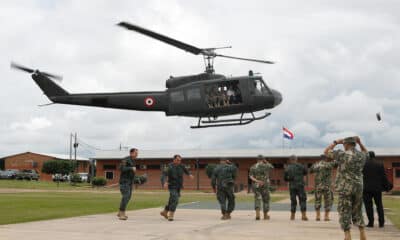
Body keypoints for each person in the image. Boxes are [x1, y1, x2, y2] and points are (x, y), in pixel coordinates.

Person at [324, 136, 368, 240]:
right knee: (357, 210)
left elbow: (326, 152)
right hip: (358, 187)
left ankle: (347, 235)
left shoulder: (342, 154)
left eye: (344, 144)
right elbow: (366, 152)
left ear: (347, 144)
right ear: (355, 144)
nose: (343, 146)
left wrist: (335, 142)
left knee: (344, 210)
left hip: (345, 188)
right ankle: (362, 233)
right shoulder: (361, 155)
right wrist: (360, 142)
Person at [160, 154, 194, 221]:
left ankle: (165, 211)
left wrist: (189, 174)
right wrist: (164, 182)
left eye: (180, 160)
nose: (179, 161)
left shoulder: (181, 166)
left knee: (172, 200)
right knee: (175, 199)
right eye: (178, 160)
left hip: (179, 186)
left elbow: (186, 170)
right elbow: (163, 175)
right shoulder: (169, 167)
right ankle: (171, 214)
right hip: (172, 186)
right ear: (174, 160)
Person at [363, 151, 391, 228]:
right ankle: (381, 223)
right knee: (379, 205)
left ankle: (370, 223)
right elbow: (383, 177)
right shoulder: (380, 164)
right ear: (374, 156)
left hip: (366, 189)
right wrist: (387, 187)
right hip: (377, 188)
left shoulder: (363, 164)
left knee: (368, 206)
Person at [310, 154, 336, 221]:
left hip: (318, 186)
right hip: (327, 186)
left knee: (317, 201)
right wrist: (332, 157)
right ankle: (326, 216)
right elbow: (336, 162)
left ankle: (318, 216)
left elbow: (310, 171)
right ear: (326, 159)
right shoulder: (328, 164)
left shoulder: (316, 165)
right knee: (328, 201)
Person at [249, 155, 274, 220]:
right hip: (265, 184)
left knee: (257, 198)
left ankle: (257, 214)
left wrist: (257, 181)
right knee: (266, 200)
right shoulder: (266, 166)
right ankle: (265, 215)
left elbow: (251, 177)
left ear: (257, 159)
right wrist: (266, 162)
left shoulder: (253, 167)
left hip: (256, 184)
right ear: (263, 159)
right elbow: (272, 167)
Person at [284, 155, 308, 221]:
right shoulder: (301, 166)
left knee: (293, 200)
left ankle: (292, 216)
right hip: (300, 186)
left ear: (290, 160)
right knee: (302, 200)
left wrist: (290, 179)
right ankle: (303, 215)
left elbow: (285, 178)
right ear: (296, 159)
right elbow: (305, 172)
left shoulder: (288, 168)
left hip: (292, 186)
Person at [117, 148, 137, 220]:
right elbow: (120, 168)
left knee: (128, 197)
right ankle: (122, 213)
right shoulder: (126, 159)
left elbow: (132, 173)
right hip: (124, 182)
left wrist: (136, 179)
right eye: (135, 153)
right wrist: (131, 168)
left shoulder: (133, 161)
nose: (137, 155)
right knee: (126, 196)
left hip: (130, 183)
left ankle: (120, 212)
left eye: (137, 153)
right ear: (131, 153)